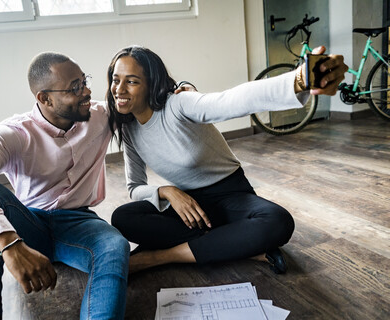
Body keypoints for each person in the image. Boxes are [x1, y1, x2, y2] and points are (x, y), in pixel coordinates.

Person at [107, 45, 347, 274]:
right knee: (123, 218)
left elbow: (232, 100)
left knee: (278, 222)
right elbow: (135, 187)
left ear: (151, 85)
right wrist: (168, 192)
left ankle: (160, 257)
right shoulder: (129, 130)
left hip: (230, 193)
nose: (119, 89)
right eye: (116, 80)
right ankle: (235, 246)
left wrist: (298, 80)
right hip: (191, 203)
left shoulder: (178, 104)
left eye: (132, 81)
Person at [0, 52, 132, 320]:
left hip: (79, 223)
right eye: (75, 87)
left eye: (84, 81)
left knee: (114, 245)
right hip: (28, 223)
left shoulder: (101, 116)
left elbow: (145, 98)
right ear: (45, 98)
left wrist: (181, 89)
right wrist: (10, 245)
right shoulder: (16, 133)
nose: (87, 91)